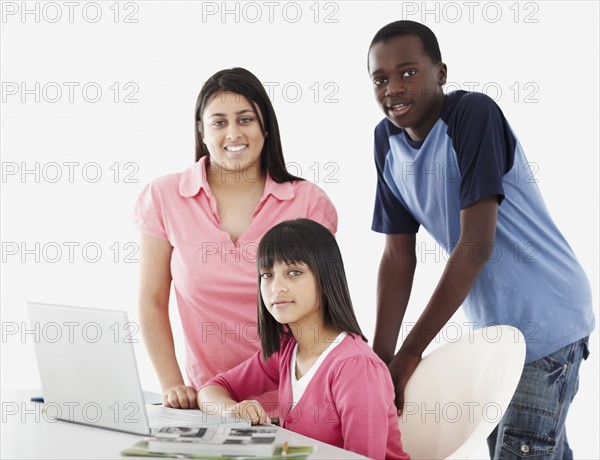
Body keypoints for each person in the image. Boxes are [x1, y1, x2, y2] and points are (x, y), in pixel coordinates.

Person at [366, 20, 594, 459]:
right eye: (380, 79)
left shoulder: (473, 115)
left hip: (546, 323)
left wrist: (410, 354)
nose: (393, 88)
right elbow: (397, 257)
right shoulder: (386, 142)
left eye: (409, 72)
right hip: (496, 338)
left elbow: (476, 245)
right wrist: (380, 362)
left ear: (441, 73)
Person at [134, 68, 337, 410]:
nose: (233, 133)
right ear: (201, 130)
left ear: (265, 126)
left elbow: (324, 306)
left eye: (245, 119)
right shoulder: (165, 197)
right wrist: (173, 386)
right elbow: (152, 300)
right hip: (209, 404)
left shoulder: (307, 202)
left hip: (296, 404)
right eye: (218, 122)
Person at [198, 219, 410, 459]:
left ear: (326, 280)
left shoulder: (356, 367)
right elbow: (211, 390)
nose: (276, 287)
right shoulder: (287, 350)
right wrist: (233, 410)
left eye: (294, 272)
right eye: (267, 275)